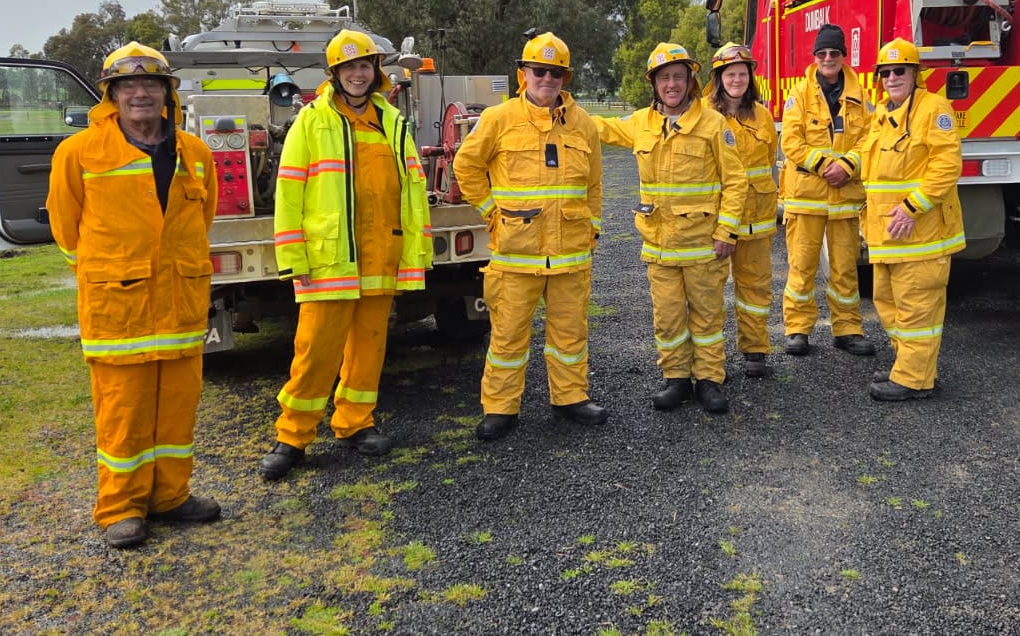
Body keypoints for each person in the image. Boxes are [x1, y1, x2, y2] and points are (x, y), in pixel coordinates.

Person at [46, 41, 221, 549]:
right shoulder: (78, 153)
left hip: (181, 305)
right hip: (117, 312)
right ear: (111, 95)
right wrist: (107, 272)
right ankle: (120, 507)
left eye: (150, 84)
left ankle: (171, 496)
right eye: (128, 85)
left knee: (177, 409)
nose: (140, 93)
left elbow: (199, 220)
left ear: (167, 94)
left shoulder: (196, 153)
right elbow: (64, 224)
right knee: (123, 412)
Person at [260, 29, 432, 480]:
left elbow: (412, 191)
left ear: (375, 72)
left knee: (369, 347)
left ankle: (356, 423)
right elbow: (289, 191)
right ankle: (292, 436)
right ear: (334, 74)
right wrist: (293, 256)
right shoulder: (312, 121)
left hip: (381, 254)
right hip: (328, 260)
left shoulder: (391, 121)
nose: (358, 74)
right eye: (349, 67)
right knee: (315, 351)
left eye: (365, 66)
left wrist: (414, 250)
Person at [453, 32, 607, 441]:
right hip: (516, 255)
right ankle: (501, 408)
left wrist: (592, 226)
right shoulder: (499, 119)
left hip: (571, 255)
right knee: (507, 335)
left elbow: (593, 185)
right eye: (539, 70)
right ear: (523, 74)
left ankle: (571, 397)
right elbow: (465, 166)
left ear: (565, 78)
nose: (547, 79)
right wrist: (490, 213)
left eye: (556, 73)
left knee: (571, 334)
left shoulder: (583, 124)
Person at [595, 43, 749, 414]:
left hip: (703, 246)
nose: (672, 84)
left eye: (678, 76)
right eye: (664, 78)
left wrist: (727, 232)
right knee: (667, 318)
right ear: (654, 83)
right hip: (659, 246)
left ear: (690, 81)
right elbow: (596, 127)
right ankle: (676, 379)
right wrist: (559, 103)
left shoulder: (713, 124)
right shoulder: (641, 124)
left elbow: (736, 181)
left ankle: (710, 379)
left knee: (708, 317)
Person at [859, 39, 965, 400]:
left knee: (917, 309)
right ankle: (910, 366)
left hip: (922, 234)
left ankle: (913, 380)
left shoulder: (934, 109)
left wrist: (910, 207)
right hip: (887, 234)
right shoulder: (883, 113)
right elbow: (869, 159)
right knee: (889, 304)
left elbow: (946, 165)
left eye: (899, 71)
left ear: (915, 74)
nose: (891, 78)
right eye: (885, 72)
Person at [780, 23, 874, 357]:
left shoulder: (861, 95)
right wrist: (823, 165)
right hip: (806, 196)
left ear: (843, 55)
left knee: (846, 268)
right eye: (822, 53)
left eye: (834, 52)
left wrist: (848, 165)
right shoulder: (799, 94)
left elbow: (870, 140)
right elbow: (790, 140)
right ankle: (797, 330)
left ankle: (847, 329)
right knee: (801, 267)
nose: (828, 58)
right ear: (815, 57)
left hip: (845, 197)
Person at [705, 43, 779, 378]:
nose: (737, 79)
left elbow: (768, 163)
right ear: (719, 79)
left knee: (756, 289)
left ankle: (754, 350)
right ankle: (710, 358)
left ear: (750, 77)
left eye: (742, 73)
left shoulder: (762, 115)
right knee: (709, 292)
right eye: (730, 74)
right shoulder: (705, 114)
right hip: (718, 221)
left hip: (758, 220)